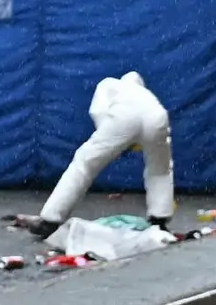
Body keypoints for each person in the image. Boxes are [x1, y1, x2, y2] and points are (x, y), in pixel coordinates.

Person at [15, 71, 174, 234]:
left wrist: (114, 142)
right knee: (160, 168)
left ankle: (50, 219)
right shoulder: (145, 94)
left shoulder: (108, 83)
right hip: (158, 117)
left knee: (84, 164)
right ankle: (159, 219)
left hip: (124, 117)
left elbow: (98, 111)